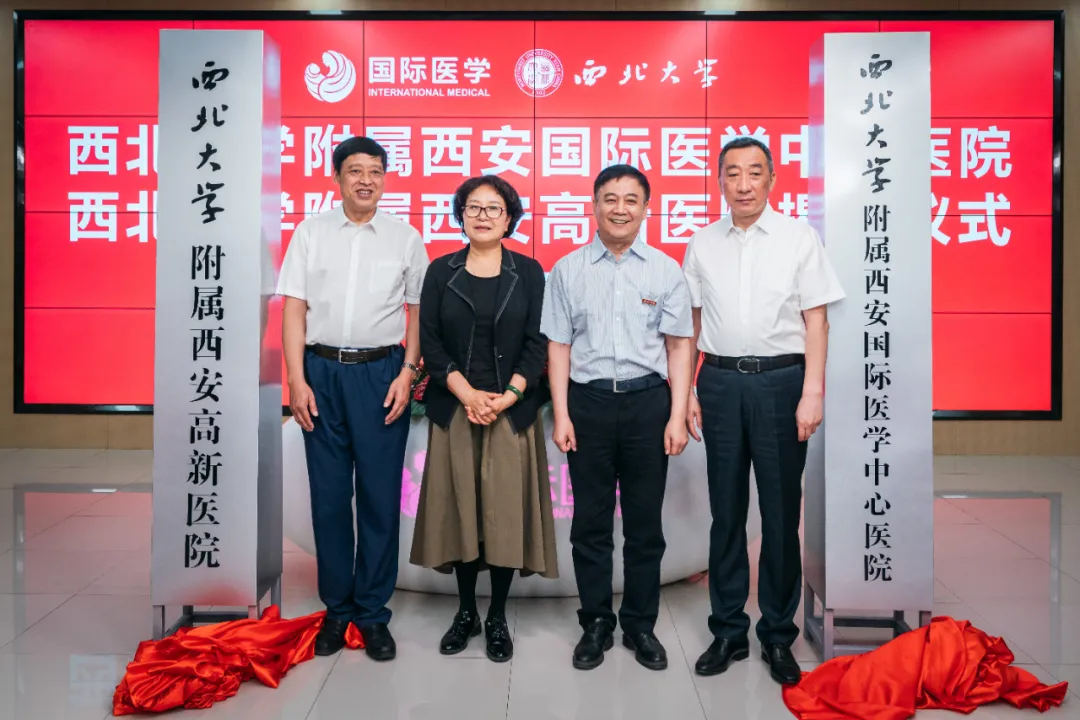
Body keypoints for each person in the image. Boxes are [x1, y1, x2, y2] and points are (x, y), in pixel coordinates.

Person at [683, 136, 845, 685]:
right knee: (726, 512)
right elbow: (692, 325)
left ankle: (777, 633)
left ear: (772, 179)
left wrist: (812, 391)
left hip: (782, 383)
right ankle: (728, 630)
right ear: (719, 181)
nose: (744, 184)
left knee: (779, 515)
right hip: (720, 383)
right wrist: (687, 391)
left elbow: (817, 321)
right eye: (733, 173)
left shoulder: (800, 238)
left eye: (755, 172)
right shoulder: (702, 242)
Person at [277, 136, 429, 660]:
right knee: (329, 496)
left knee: (380, 498)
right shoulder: (311, 233)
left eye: (376, 171)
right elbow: (293, 309)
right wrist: (296, 379)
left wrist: (408, 373)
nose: (367, 180)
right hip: (320, 372)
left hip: (381, 373)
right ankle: (337, 609)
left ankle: (372, 613)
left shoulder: (405, 238)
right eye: (356, 171)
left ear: (385, 178)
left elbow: (418, 314)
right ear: (337, 177)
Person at [541, 164, 694, 671]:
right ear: (594, 205)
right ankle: (596, 624)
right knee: (590, 524)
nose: (620, 208)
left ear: (646, 208)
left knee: (645, 525)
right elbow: (558, 347)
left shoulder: (665, 271)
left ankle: (640, 625)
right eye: (610, 198)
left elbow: (678, 347)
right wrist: (562, 414)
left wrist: (676, 415)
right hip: (587, 405)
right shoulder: (568, 270)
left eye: (631, 199)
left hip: (648, 404)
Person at [410, 175, 558, 663]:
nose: (483, 216)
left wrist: (509, 395)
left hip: (510, 413)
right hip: (457, 407)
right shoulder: (441, 271)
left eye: (494, 208)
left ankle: (496, 615)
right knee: (462, 514)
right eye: (473, 207)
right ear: (461, 215)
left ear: (509, 217)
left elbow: (538, 341)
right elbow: (431, 343)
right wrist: (468, 394)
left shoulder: (529, 272)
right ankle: (466, 611)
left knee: (503, 516)